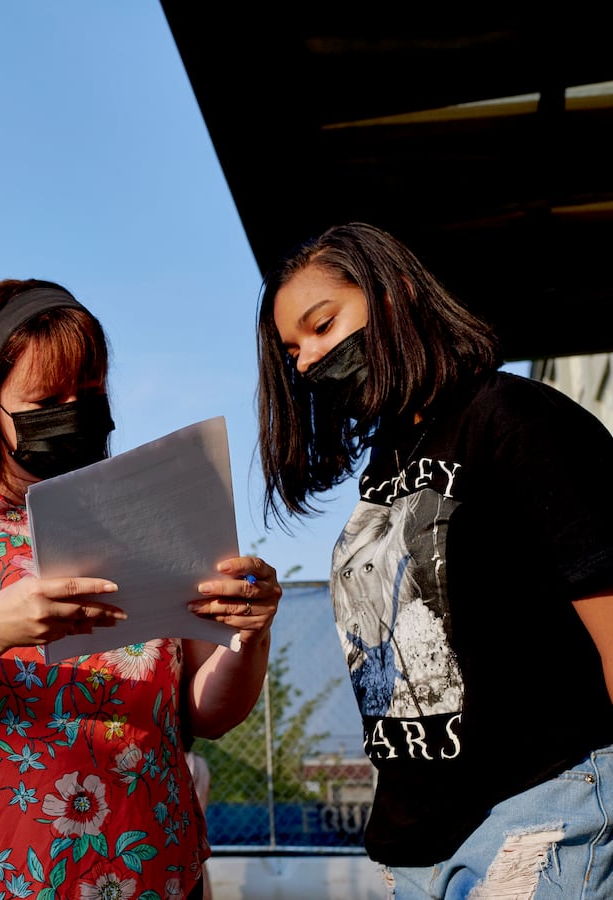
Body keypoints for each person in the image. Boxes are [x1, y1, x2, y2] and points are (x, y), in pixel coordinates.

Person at [0, 279, 280, 900]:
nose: (73, 409)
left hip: (149, 873)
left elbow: (207, 713)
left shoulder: (148, 511)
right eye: (46, 398)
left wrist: (248, 635)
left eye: (87, 393)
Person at [255, 222, 613, 897]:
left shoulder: (509, 416)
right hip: (418, 840)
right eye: (293, 350)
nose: (305, 362)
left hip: (543, 806)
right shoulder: (386, 464)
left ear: (394, 295)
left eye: (323, 325)